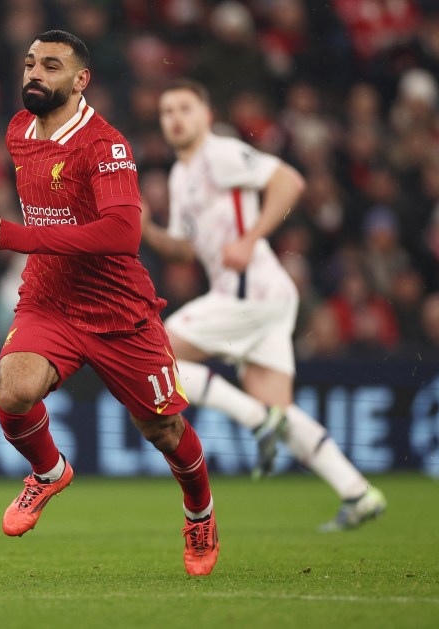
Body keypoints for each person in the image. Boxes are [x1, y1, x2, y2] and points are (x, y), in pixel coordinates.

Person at [0, 30, 218, 576]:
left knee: (162, 430)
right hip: (49, 297)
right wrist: (38, 245)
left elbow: (122, 235)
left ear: (81, 79)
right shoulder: (19, 129)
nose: (35, 74)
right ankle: (48, 472)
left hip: (117, 309)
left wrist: (29, 237)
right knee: (13, 391)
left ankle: (199, 513)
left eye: (51, 66)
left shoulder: (104, 145)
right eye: (30, 64)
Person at [144, 79, 387, 531]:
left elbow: (289, 181)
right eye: (167, 111)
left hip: (247, 289)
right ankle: (357, 491)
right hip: (265, 295)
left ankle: (255, 419)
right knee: (283, 411)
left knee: (153, 355)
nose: (175, 118)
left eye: (184, 108)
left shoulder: (220, 153)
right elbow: (184, 249)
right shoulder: (182, 175)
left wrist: (251, 237)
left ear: (206, 116)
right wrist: (147, 229)